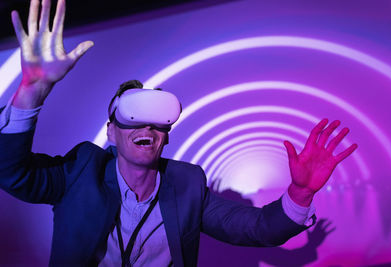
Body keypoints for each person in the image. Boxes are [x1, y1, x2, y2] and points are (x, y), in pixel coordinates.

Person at [0, 0, 358, 266]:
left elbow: (259, 228)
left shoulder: (187, 184)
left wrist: (301, 190)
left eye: (158, 121)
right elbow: (11, 173)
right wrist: (31, 90)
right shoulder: (81, 170)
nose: (147, 128)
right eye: (133, 118)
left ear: (167, 136)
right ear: (111, 133)